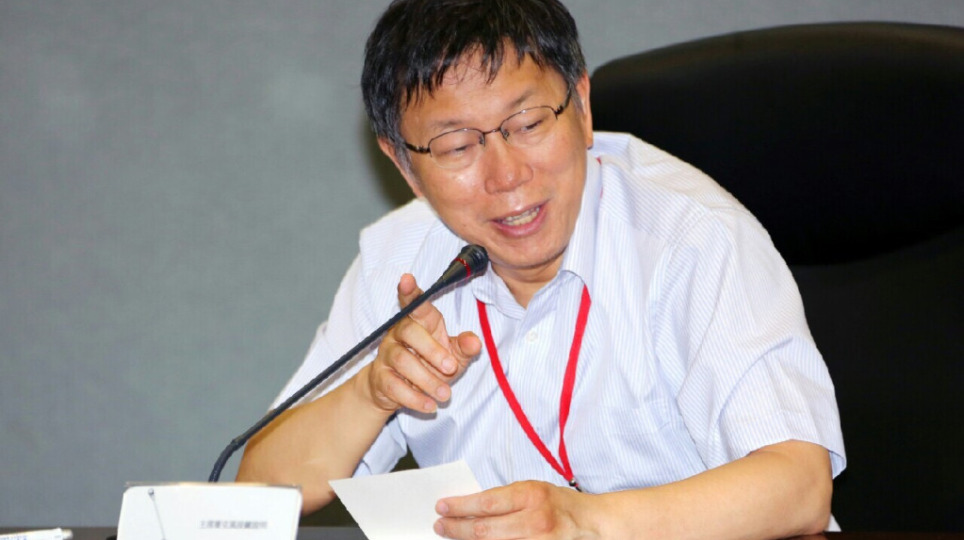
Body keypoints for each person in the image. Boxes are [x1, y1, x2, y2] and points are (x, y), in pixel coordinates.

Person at [237, 0, 847, 538]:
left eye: (528, 124)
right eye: (456, 147)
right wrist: (371, 392)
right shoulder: (400, 264)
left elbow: (799, 487)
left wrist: (588, 523)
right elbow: (260, 487)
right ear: (404, 165)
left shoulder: (690, 237)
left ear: (581, 106)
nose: (507, 176)